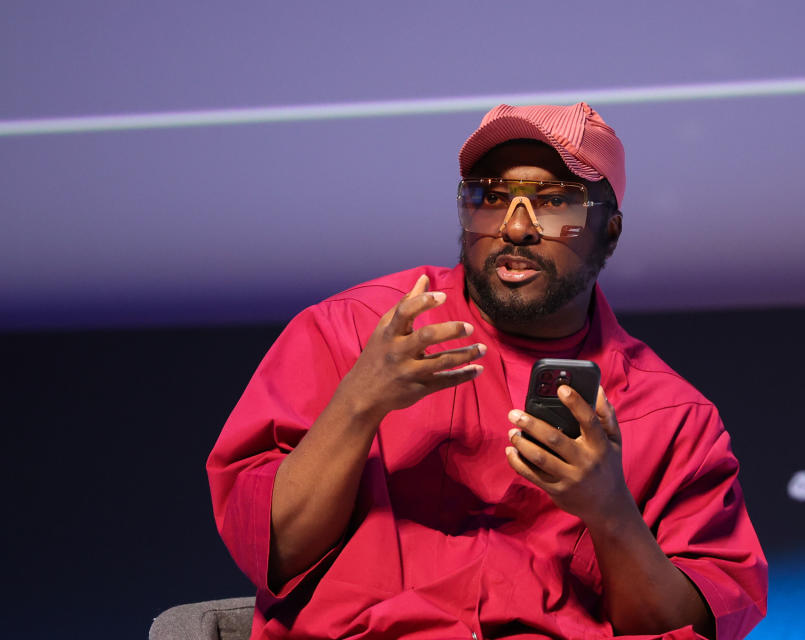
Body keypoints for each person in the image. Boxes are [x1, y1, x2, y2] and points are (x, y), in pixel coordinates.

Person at [207, 103, 767, 640]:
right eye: (490, 198)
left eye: (552, 203)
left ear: (611, 232)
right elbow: (270, 553)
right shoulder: (353, 332)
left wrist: (610, 510)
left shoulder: (672, 417)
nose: (514, 228)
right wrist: (360, 403)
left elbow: (683, 626)